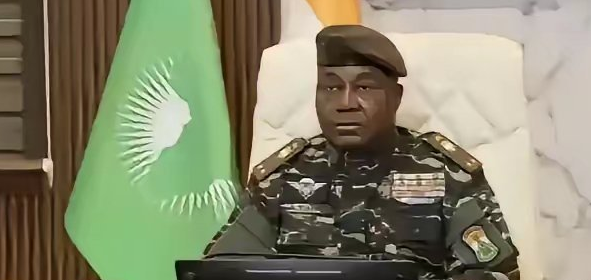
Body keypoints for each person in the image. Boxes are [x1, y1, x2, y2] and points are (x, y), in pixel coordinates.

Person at [204, 25, 520, 280]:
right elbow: (222, 270)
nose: (345, 103)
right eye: (331, 88)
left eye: (364, 88)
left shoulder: (446, 173)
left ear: (396, 98)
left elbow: (492, 271)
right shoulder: (282, 178)